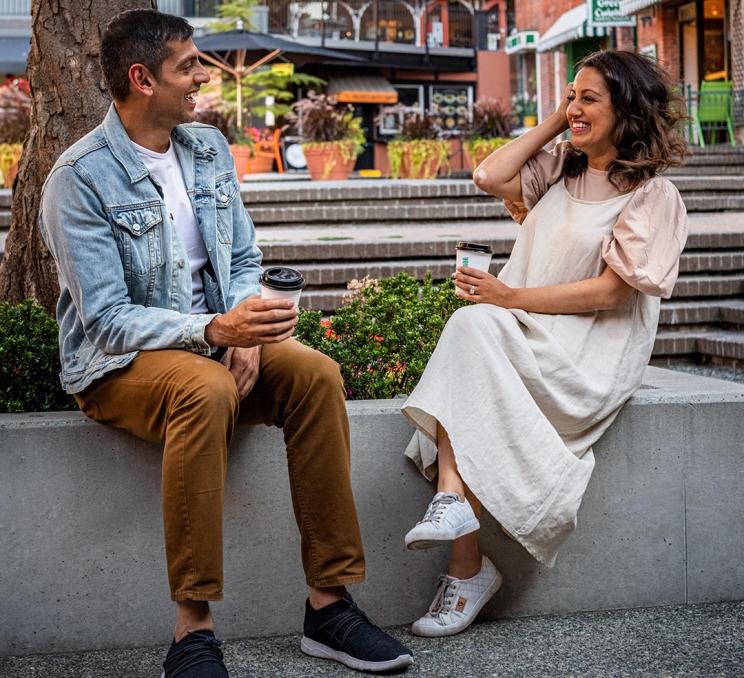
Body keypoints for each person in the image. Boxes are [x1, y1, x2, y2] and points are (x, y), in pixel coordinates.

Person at [38, 9, 412, 677]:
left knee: (315, 375)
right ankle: (192, 632)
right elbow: (105, 318)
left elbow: (243, 256)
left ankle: (329, 605)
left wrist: (243, 322)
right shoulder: (81, 177)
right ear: (141, 78)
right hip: (118, 363)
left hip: (216, 343)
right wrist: (212, 331)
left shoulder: (205, 147)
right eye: (189, 65)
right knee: (204, 388)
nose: (202, 77)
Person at [401, 50, 689, 638]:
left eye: (590, 99)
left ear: (627, 110)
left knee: (474, 326)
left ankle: (462, 546)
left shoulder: (652, 197)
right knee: (472, 330)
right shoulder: (560, 169)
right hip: (523, 334)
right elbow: (488, 176)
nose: (575, 108)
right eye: (570, 96)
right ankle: (461, 545)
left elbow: (612, 294)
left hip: (586, 357)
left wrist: (508, 298)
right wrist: (563, 122)